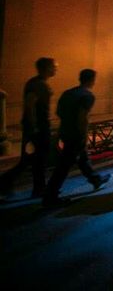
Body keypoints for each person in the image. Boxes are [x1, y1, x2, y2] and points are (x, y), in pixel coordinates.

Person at [43, 69, 112, 207]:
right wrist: (83, 135)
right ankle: (50, 196)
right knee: (64, 165)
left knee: (82, 158)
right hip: (76, 134)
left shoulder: (68, 93)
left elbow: (59, 112)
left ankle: (95, 179)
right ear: (92, 80)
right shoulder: (87, 96)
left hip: (65, 130)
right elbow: (82, 117)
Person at [0, 57, 57, 198]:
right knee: (37, 159)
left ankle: (38, 189)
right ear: (46, 68)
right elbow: (29, 105)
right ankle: (6, 181)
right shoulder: (39, 84)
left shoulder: (37, 82)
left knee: (35, 160)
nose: (56, 69)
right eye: (54, 66)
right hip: (39, 128)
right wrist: (34, 127)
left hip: (37, 127)